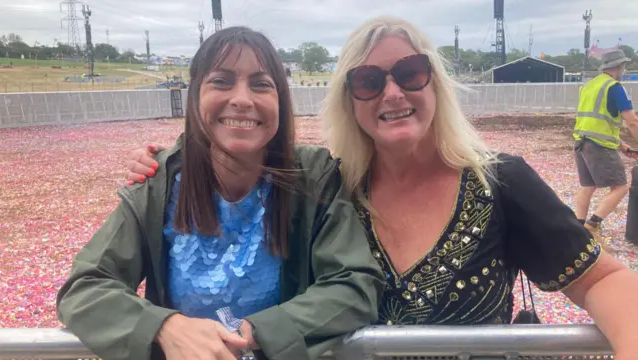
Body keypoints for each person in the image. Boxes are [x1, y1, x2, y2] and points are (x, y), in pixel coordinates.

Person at [125, 17, 638, 358]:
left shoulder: (499, 182)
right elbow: (234, 160)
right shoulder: (325, 187)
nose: (393, 92)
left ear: (435, 81)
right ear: (349, 99)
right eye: (368, 80)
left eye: (410, 73)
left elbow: (602, 281)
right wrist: (167, 165)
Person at [57, 27, 384, 360]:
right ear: (195, 96)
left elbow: (355, 284)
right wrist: (164, 327)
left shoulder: (313, 179)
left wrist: (267, 331)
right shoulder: (158, 184)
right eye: (221, 81)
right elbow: (85, 287)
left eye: (261, 84)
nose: (242, 99)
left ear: (281, 103)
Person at [573, 48, 638, 251]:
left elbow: (595, 121)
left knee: (588, 186)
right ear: (619, 66)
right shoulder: (614, 87)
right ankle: (592, 227)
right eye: (624, 65)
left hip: (581, 143)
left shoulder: (589, 86)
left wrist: (623, 145)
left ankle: (578, 228)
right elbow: (632, 121)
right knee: (620, 187)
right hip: (598, 147)